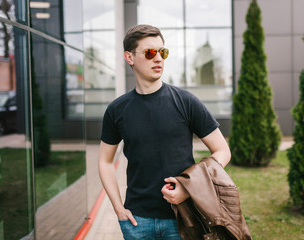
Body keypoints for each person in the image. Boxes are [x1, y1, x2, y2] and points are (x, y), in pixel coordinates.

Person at [98, 24, 231, 240]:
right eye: (150, 52)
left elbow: (222, 151)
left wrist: (189, 188)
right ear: (129, 57)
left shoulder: (186, 102)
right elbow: (104, 161)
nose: (158, 58)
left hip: (183, 217)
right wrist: (118, 209)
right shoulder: (117, 110)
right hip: (136, 220)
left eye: (163, 52)